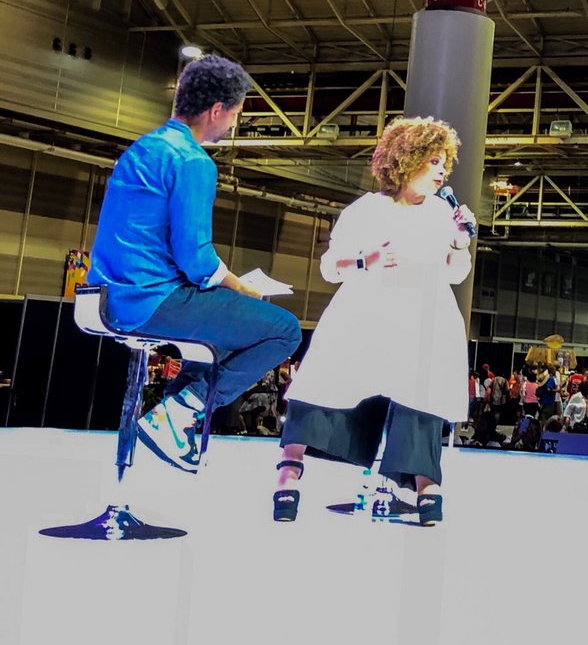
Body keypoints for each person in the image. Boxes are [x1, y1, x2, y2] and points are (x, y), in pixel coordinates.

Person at [87, 55, 301, 473]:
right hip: (150, 299)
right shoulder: (192, 160)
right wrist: (240, 286)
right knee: (283, 330)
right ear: (216, 110)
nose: (234, 124)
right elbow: (196, 259)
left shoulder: (143, 147)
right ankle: (180, 413)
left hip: (105, 294)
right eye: (236, 114)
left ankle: (174, 414)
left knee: (226, 331)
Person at [272, 116, 475, 527]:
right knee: (324, 383)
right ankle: (288, 474)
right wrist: (367, 259)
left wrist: (458, 241)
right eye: (433, 161)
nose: (441, 171)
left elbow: (456, 273)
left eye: (444, 164)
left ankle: (425, 484)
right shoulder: (367, 209)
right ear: (407, 159)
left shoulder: (442, 214)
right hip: (367, 312)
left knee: (422, 395)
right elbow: (331, 267)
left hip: (424, 317)